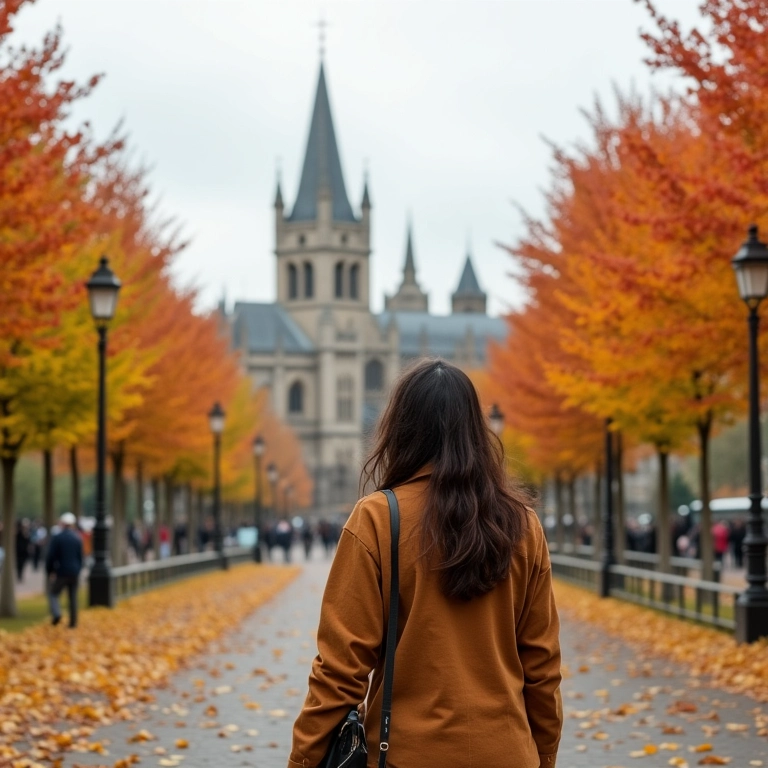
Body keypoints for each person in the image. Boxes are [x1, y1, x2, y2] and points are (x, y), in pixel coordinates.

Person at [288, 359, 562, 768]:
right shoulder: (523, 525)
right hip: (507, 752)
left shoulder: (378, 519)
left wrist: (303, 761)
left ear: (400, 430)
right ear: (475, 429)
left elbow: (340, 669)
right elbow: (542, 668)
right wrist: (543, 756)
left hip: (406, 754)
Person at [46, 512, 83, 628]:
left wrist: (50, 570)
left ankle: (56, 614)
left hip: (62, 571)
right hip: (74, 572)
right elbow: (80, 557)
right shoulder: (77, 538)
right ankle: (73, 622)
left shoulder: (58, 538)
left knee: (53, 594)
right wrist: (78, 569)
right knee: (72, 597)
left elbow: (51, 556)